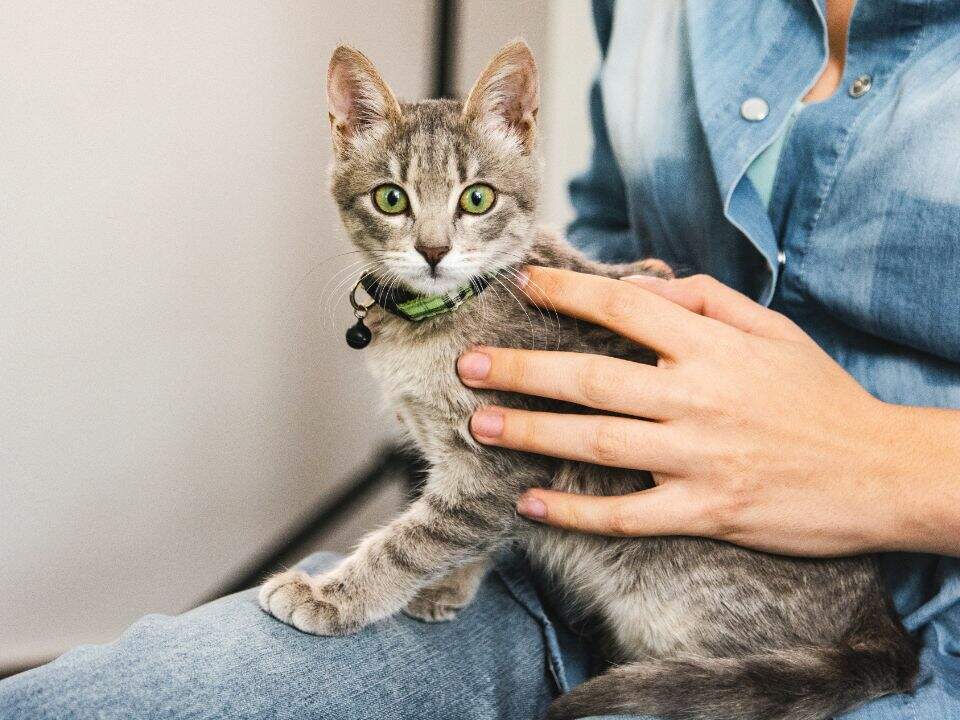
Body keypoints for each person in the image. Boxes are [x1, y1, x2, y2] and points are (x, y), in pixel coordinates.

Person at [3, 1, 959, 718]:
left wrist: (879, 456)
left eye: (463, 205)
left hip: (813, 616)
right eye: (393, 203)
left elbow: (483, 482)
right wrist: (597, 280)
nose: (430, 243)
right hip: (550, 565)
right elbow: (604, 221)